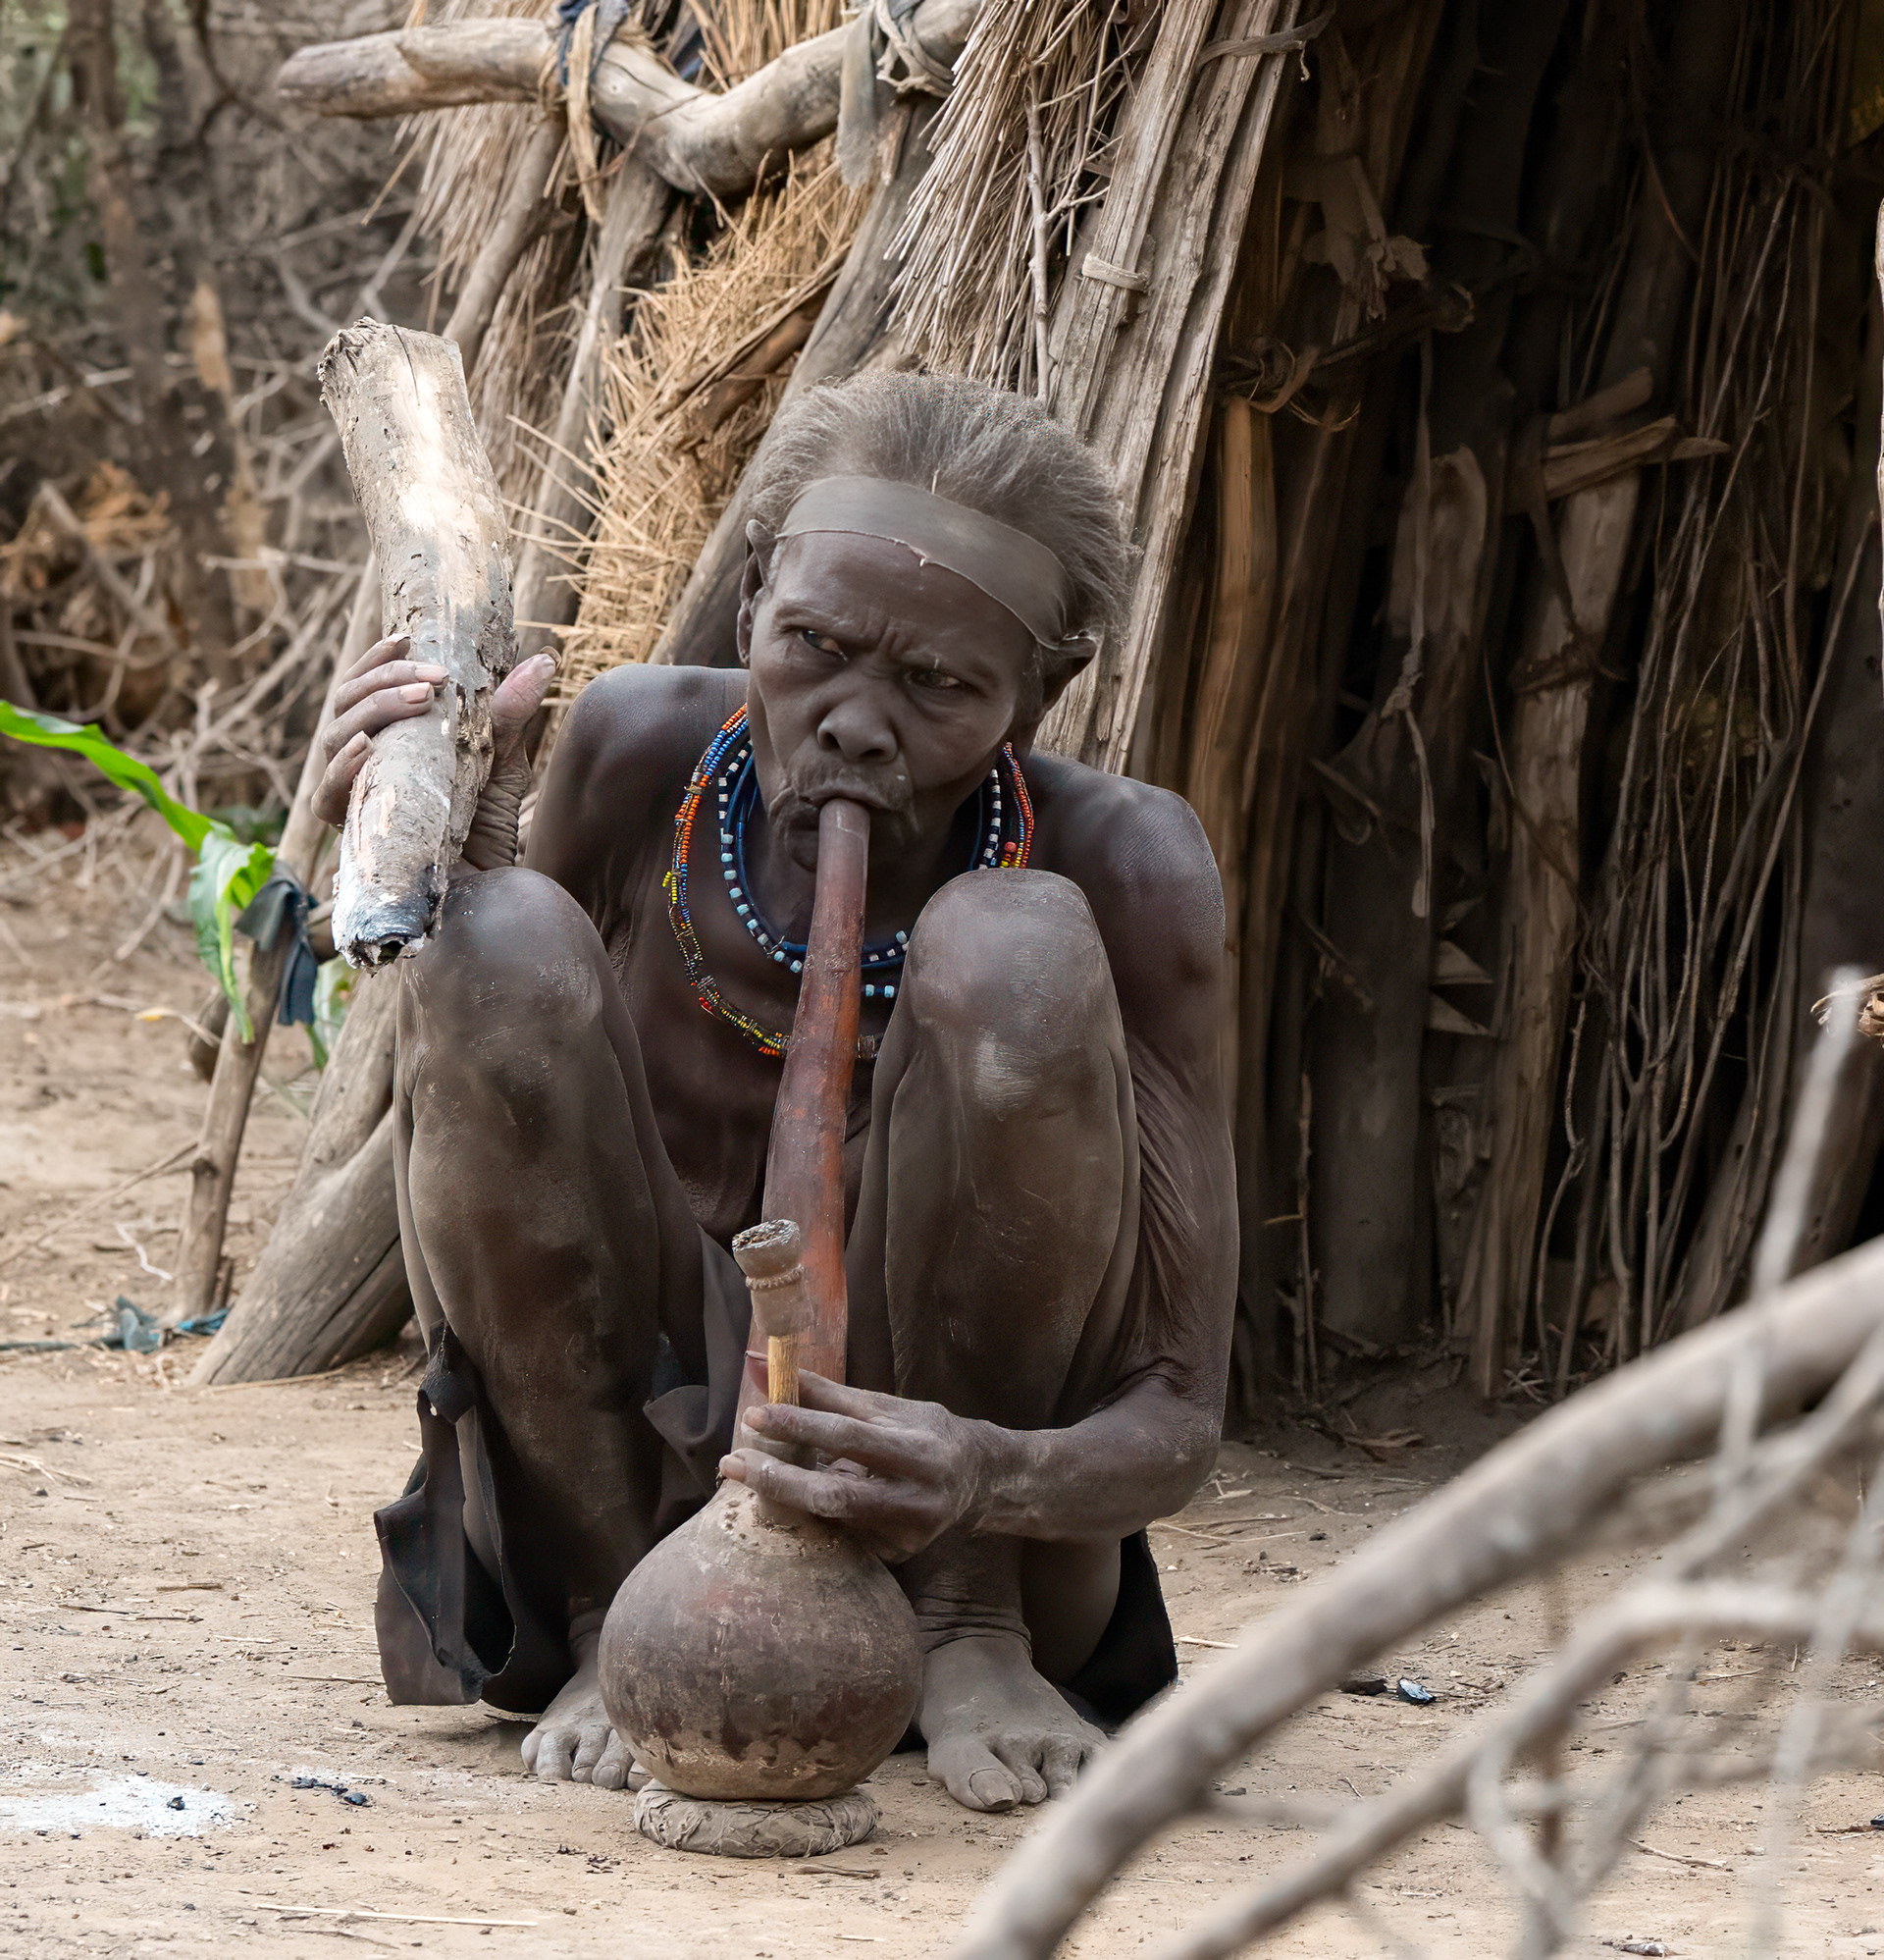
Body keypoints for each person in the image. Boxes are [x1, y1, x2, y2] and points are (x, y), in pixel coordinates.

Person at [312, 373, 1235, 1815]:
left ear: (1037, 697)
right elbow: (496, 1136)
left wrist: (981, 1476)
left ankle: (961, 1628)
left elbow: (1179, 1412)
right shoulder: (631, 755)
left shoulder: (1130, 864)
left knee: (1015, 944)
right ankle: (618, 1612)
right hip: (620, 1493)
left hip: (961, 1521)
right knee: (494, 939)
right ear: (750, 608)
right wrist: (404, 856)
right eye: (814, 646)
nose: (859, 722)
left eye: (938, 686)